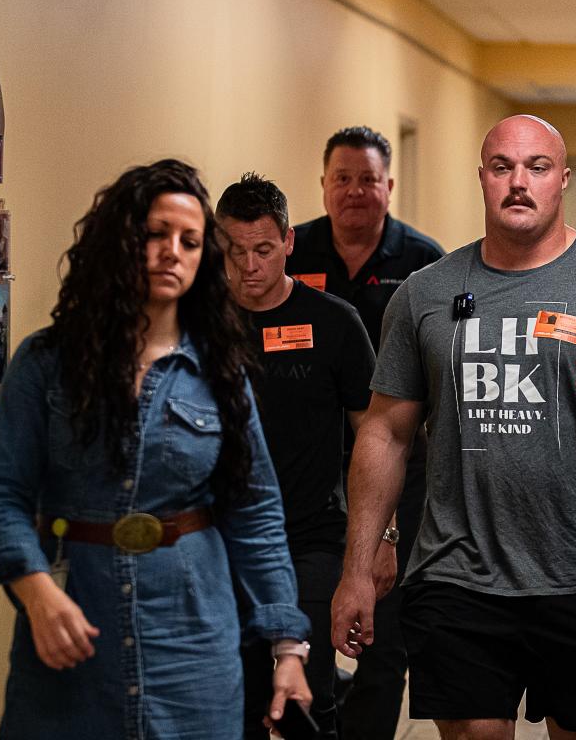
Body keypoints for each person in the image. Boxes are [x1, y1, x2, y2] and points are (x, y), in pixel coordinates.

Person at [331, 114, 576, 740]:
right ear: (483, 180)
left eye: (536, 167)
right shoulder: (425, 293)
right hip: (457, 574)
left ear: (562, 180)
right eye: (502, 168)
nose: (518, 183)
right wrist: (358, 567)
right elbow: (385, 435)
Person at [0, 159, 311, 739]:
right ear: (120, 240)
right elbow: (3, 493)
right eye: (155, 234)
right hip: (75, 627)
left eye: (189, 240)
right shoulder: (47, 363)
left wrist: (288, 645)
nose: (171, 252)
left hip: (193, 642)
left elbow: (256, 514)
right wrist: (34, 592)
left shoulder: (220, 375)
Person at [285, 125, 444, 740]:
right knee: (307, 632)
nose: (355, 191)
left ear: (389, 186)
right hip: (311, 469)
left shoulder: (424, 261)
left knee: (387, 637)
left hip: (401, 469)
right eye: (342, 179)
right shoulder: (292, 254)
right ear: (324, 185)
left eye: (368, 180)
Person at [216, 172, 377, 740]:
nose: (249, 266)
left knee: (307, 699)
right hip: (218, 540)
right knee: (232, 697)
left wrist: (381, 539)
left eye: (263, 250)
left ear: (288, 241)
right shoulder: (199, 323)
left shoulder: (334, 323)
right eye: (235, 252)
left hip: (310, 539)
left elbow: (374, 438)